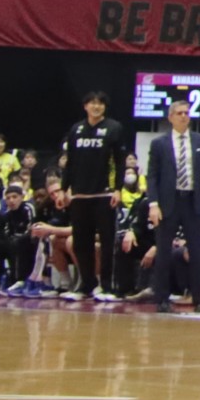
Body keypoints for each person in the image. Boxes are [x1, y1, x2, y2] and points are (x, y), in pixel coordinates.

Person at [146, 97, 200, 314]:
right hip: (168, 202)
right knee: (164, 251)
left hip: (192, 201)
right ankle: (162, 298)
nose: (184, 116)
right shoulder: (159, 143)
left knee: (197, 251)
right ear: (170, 117)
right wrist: (153, 204)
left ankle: (199, 298)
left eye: (187, 113)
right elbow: (152, 176)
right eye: (180, 113)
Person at [62, 90, 129, 302]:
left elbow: (120, 161)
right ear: (85, 106)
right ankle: (87, 284)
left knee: (107, 241)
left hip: (104, 193)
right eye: (92, 103)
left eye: (100, 103)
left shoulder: (114, 128)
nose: (96, 106)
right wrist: (65, 188)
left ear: (105, 107)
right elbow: (70, 161)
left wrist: (118, 188)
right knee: (81, 242)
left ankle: (107, 286)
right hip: (80, 195)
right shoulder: (76, 129)